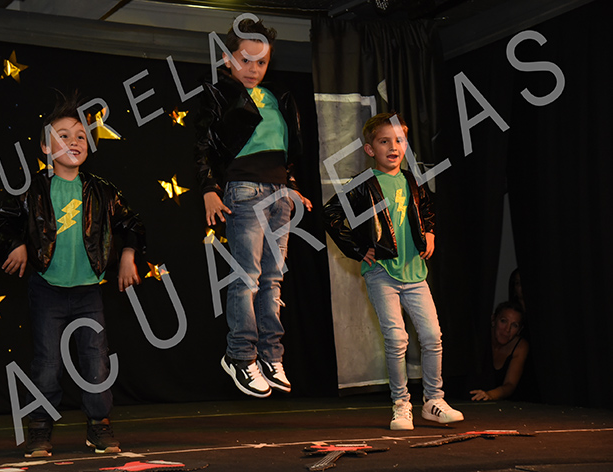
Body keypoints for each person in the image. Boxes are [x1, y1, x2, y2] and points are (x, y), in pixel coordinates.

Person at [0, 94, 146, 457]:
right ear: (46, 147)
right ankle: (39, 428)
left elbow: (132, 223)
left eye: (80, 136)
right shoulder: (32, 190)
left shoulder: (102, 190)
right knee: (47, 363)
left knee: (96, 361)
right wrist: (16, 243)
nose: (74, 142)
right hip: (48, 290)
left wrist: (128, 254)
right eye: (63, 136)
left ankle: (99, 425)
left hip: (89, 292)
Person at [322, 112, 463, 430]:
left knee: (432, 336)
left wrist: (429, 231)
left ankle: (434, 401)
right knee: (397, 339)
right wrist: (358, 249)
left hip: (415, 273)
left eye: (399, 140)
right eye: (384, 141)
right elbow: (331, 214)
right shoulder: (362, 184)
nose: (393, 147)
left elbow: (426, 207)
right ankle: (401, 404)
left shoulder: (412, 180)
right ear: (370, 149)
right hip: (382, 273)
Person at [194, 17, 312, 398]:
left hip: (279, 194)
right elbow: (203, 145)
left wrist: (292, 188)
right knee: (247, 276)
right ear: (227, 58)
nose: (253, 69)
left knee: (273, 278)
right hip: (244, 188)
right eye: (245, 60)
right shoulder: (218, 94)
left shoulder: (278, 97)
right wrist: (209, 188)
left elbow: (286, 149)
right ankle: (240, 355)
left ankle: (271, 355)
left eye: (261, 62)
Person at [470, 301, 529, 401]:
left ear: (519, 330)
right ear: (493, 320)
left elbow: (510, 384)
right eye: (503, 321)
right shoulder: (479, 337)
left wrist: (490, 395)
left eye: (514, 325)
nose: (507, 329)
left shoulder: (520, 346)